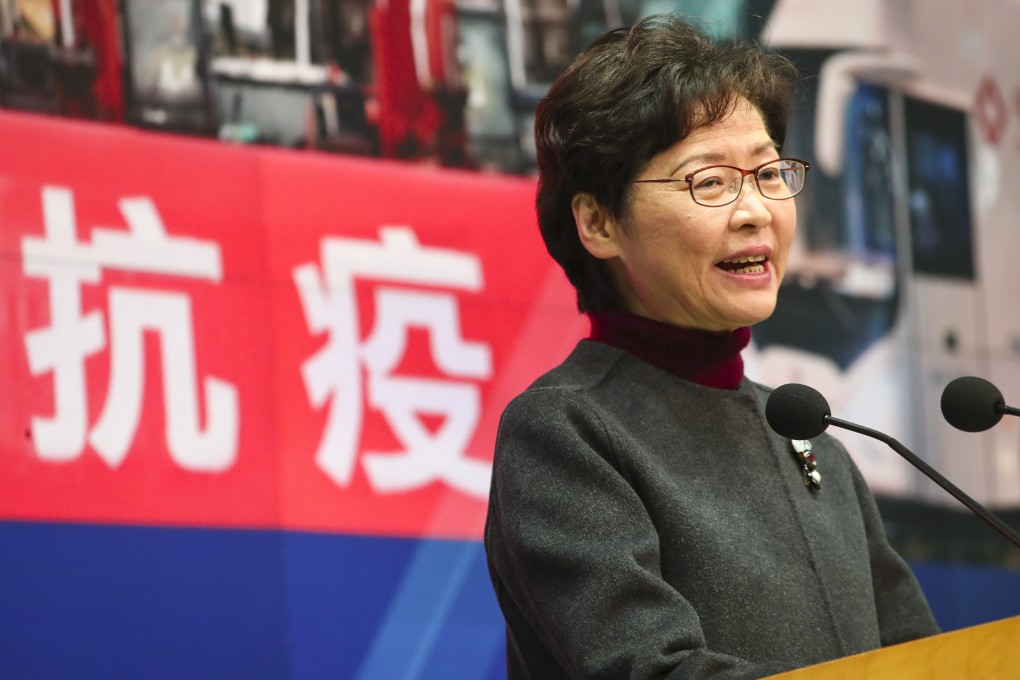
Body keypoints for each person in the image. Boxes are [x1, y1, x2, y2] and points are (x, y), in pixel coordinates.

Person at [483, 14, 938, 679]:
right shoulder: (566, 432)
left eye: (770, 172)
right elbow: (647, 670)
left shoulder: (813, 438)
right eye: (710, 182)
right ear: (599, 221)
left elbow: (922, 663)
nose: (757, 210)